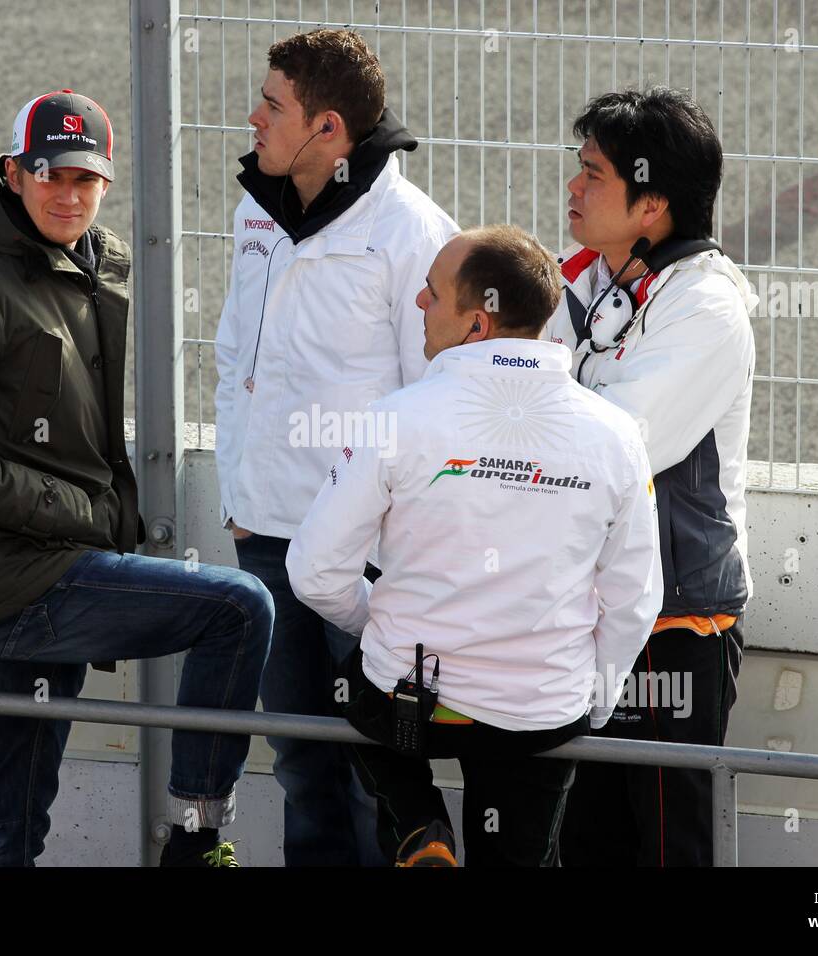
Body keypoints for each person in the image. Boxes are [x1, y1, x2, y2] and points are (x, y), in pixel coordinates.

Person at [0, 89, 273, 868]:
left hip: (38, 563)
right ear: (13, 172)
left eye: (86, 180)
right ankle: (198, 836)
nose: (68, 195)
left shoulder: (80, 269)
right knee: (239, 607)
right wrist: (82, 515)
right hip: (15, 579)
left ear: (107, 182)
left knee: (9, 819)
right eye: (50, 176)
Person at [286, 224, 662, 866]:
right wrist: (590, 702)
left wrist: (378, 621)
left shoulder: (396, 419)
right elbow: (634, 599)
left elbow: (315, 573)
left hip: (410, 701)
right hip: (538, 711)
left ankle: (420, 829)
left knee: (351, 691)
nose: (418, 305)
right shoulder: (617, 435)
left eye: (433, 293)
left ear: (477, 324)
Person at [214, 29, 459, 866]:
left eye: (273, 105)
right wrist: (238, 504)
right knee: (299, 761)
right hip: (267, 541)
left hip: (368, 553)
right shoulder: (256, 207)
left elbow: (438, 401)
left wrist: (397, 546)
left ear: (328, 129)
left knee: (378, 766)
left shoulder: (414, 232)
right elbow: (232, 357)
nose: (253, 118)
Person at [546, 87, 757, 867]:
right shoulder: (591, 281)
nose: (572, 187)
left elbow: (615, 448)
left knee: (668, 848)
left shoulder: (706, 306)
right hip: (591, 611)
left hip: (676, 625)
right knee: (585, 842)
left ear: (652, 204)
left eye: (593, 174)